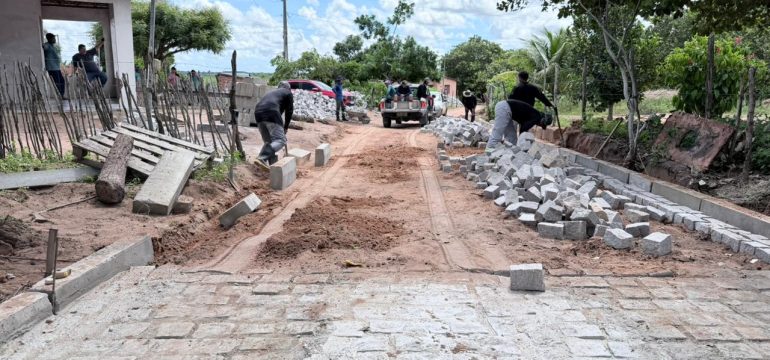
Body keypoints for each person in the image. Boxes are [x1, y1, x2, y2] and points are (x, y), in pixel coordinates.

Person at [253, 81, 294, 170]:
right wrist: (285, 127)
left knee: (270, 143)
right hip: (271, 112)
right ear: (289, 88)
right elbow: (289, 111)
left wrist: (280, 126)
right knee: (281, 140)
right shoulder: (288, 93)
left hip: (258, 113)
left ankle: (273, 167)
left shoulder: (273, 93)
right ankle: (261, 157)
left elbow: (280, 111)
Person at [486, 99, 553, 152]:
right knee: (497, 133)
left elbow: (523, 126)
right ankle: (488, 151)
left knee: (512, 137)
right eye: (542, 125)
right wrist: (523, 143)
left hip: (506, 109)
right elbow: (524, 129)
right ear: (542, 121)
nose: (540, 126)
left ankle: (508, 154)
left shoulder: (535, 114)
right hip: (504, 108)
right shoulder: (536, 117)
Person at [42, 33, 65, 98]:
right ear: (49, 39)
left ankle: (61, 95)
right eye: (53, 38)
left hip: (56, 68)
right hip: (52, 68)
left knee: (62, 81)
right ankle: (60, 96)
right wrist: (44, 45)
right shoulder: (47, 45)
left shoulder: (52, 46)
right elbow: (44, 47)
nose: (55, 39)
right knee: (57, 82)